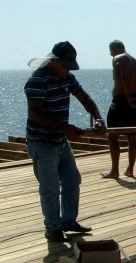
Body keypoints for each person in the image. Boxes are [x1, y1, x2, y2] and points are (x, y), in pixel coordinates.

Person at [24, 41, 106, 242]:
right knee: (50, 187)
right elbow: (35, 114)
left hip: (60, 140)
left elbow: (85, 99)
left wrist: (98, 118)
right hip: (42, 142)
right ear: (54, 61)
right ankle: (53, 228)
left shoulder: (67, 77)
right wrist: (65, 128)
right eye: (65, 65)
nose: (68, 70)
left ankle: (68, 221)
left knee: (72, 180)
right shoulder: (37, 81)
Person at [101, 40, 136, 179]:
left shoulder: (117, 59)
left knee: (112, 135)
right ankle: (130, 169)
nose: (110, 55)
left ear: (114, 50)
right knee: (132, 136)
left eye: (110, 52)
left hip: (122, 101)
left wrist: (127, 98)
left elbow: (120, 80)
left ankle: (115, 171)